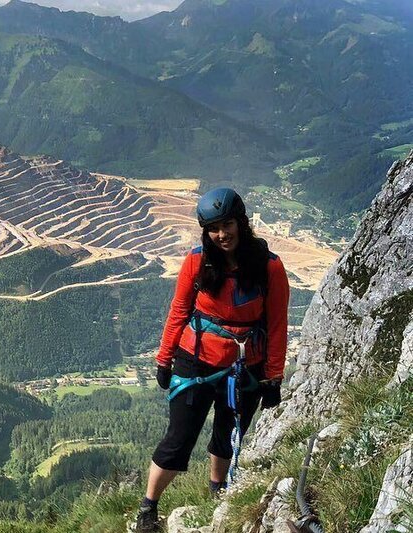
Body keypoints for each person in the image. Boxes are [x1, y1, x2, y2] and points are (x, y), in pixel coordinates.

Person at [135, 187, 290, 532]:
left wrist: (273, 377)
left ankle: (217, 493)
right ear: (205, 231)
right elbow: (179, 310)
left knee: (227, 436)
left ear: (241, 223)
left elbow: (278, 324)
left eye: (228, 224)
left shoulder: (269, 268)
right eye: (214, 228)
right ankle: (148, 508)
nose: (222, 234)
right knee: (179, 438)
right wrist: (164, 358)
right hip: (196, 360)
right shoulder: (197, 261)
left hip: (246, 365)